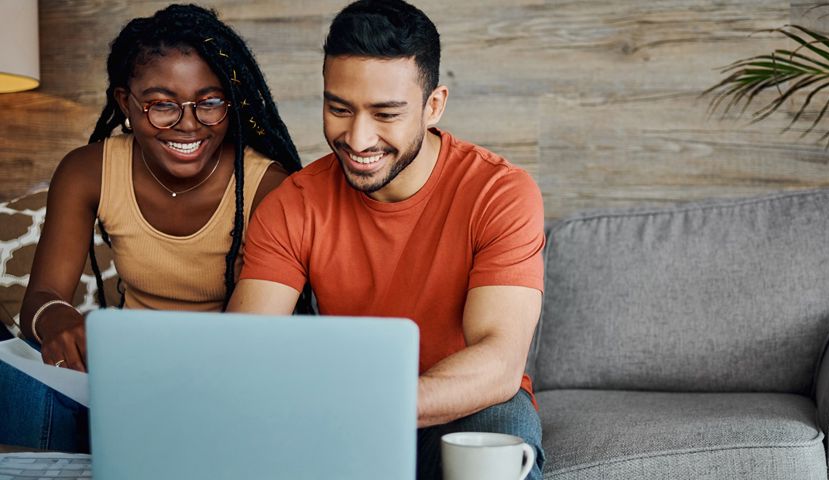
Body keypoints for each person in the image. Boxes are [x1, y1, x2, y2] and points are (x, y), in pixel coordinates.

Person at [227, 1, 546, 478]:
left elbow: (498, 360)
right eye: (339, 108)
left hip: (464, 407)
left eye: (386, 113)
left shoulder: (499, 193)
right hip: (341, 412)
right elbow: (242, 351)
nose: (357, 138)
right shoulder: (293, 203)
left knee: (501, 429)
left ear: (433, 105)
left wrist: (370, 405)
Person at [0, 4, 306, 452]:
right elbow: (41, 300)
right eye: (162, 105)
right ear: (126, 102)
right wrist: (59, 320)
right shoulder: (88, 171)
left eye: (210, 102)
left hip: (225, 386)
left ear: (231, 102)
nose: (187, 123)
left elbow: (256, 339)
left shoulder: (267, 186)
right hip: (121, 380)